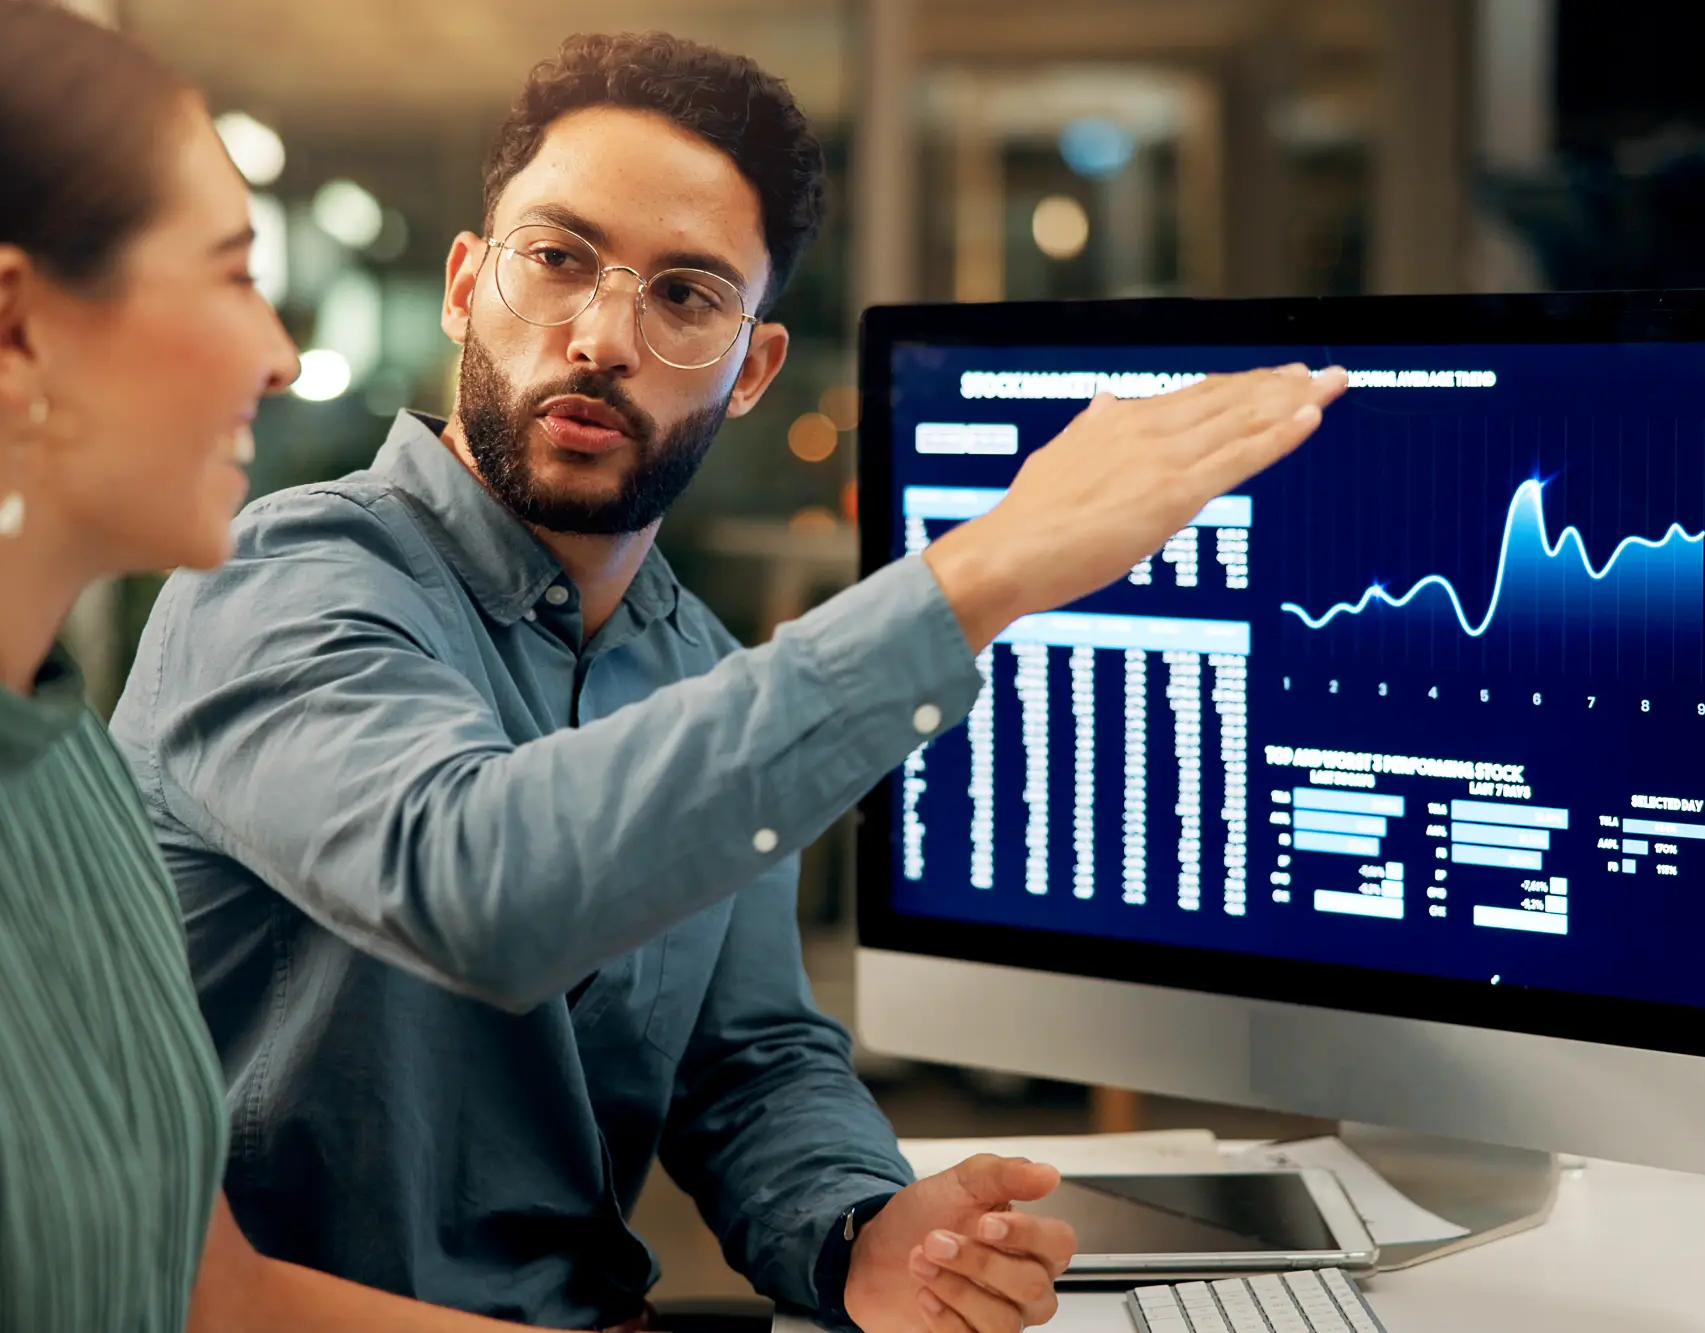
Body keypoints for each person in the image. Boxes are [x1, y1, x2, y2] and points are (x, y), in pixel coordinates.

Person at [108, 30, 1346, 1333]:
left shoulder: (696, 667)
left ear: (752, 367)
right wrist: (981, 572)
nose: (600, 336)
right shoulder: (279, 578)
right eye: (558, 259)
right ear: (468, 286)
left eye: (686, 296)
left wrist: (863, 1227)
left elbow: (747, 1059)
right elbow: (475, 875)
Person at [0, 5, 664, 1332]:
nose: (280, 352)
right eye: (230, 273)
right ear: (14, 330)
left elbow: (215, 1295)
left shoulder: (53, 746)